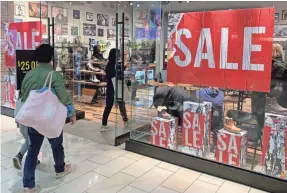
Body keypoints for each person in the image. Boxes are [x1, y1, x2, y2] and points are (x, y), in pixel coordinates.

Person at [21, 44, 76, 193]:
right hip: (51, 117)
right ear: (52, 57)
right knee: (57, 145)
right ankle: (60, 169)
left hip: (34, 118)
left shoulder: (29, 74)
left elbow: (24, 96)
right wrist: (71, 113)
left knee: (33, 150)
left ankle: (28, 185)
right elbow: (63, 96)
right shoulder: (54, 75)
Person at [101, 48, 128, 131]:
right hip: (114, 86)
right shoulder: (113, 64)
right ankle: (105, 124)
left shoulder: (112, 64)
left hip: (113, 86)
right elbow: (116, 74)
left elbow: (114, 74)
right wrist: (123, 67)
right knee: (115, 104)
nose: (119, 55)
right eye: (118, 54)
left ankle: (104, 124)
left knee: (114, 104)